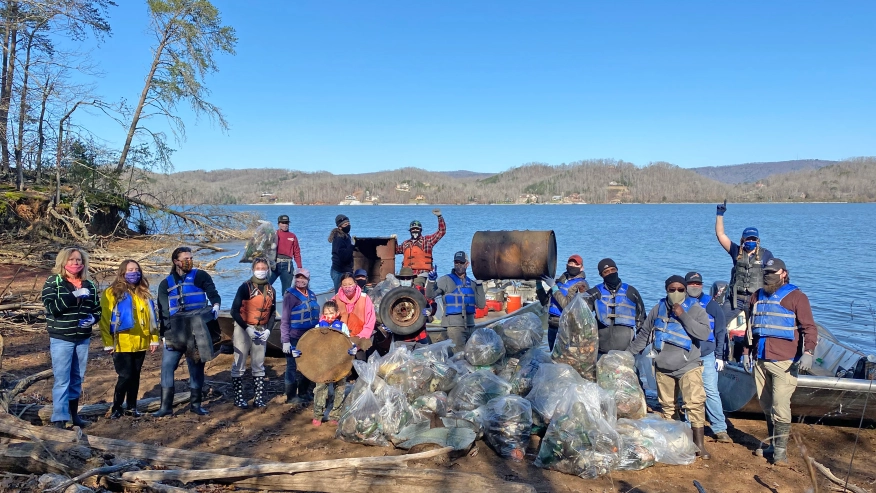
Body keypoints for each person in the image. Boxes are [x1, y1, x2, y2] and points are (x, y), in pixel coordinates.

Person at [627, 275, 712, 460]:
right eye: (672, 289)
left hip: (688, 366)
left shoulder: (696, 309)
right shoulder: (658, 309)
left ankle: (699, 446)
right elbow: (644, 335)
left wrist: (683, 315)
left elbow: (704, 334)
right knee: (667, 407)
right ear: (666, 290)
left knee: (694, 404)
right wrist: (627, 354)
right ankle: (675, 441)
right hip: (662, 366)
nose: (676, 293)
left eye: (680, 289)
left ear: (686, 290)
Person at [742, 258, 817, 465]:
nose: (769, 274)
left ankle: (781, 453)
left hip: (785, 361)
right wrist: (746, 352)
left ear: (783, 273)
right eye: (766, 271)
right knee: (766, 405)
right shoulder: (757, 296)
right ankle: (773, 445)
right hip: (760, 359)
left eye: (773, 271)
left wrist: (808, 351)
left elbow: (809, 327)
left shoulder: (797, 297)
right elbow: (750, 327)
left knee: (780, 406)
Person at [153, 247, 221, 417]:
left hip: (197, 329)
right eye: (185, 258)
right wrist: (163, 334)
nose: (189, 260)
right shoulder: (165, 284)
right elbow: (163, 312)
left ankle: (196, 405)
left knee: (196, 367)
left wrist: (216, 305)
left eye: (191, 257)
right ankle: (165, 407)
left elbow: (212, 292)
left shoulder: (200, 276)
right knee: (167, 367)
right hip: (175, 330)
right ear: (176, 261)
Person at [42, 247, 101, 428]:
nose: (76, 263)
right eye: (72, 260)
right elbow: (52, 308)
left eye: (78, 260)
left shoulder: (89, 284)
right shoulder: (54, 281)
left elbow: (97, 308)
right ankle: (59, 418)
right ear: (63, 262)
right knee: (62, 379)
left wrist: (93, 318)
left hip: (82, 337)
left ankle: (74, 416)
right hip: (61, 337)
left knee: (77, 377)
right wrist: (73, 296)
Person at [99, 260, 160, 420]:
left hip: (140, 342)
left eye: (137, 270)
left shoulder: (144, 293)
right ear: (122, 273)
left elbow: (152, 318)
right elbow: (104, 320)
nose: (134, 273)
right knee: (125, 375)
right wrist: (107, 342)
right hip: (121, 342)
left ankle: (132, 407)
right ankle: (117, 407)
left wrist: (154, 338)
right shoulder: (111, 293)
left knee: (135, 375)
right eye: (130, 270)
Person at [290, 300, 358, 427]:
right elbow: (310, 344)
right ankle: (318, 415)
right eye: (326, 313)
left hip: (340, 363)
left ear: (337, 313)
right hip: (322, 365)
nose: (329, 315)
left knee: (340, 389)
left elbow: (348, 342)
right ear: (322, 314)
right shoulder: (318, 328)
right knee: (320, 388)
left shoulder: (342, 327)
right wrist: (299, 351)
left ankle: (335, 415)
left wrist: (352, 348)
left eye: (331, 313)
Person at [684, 272, 731, 444]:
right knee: (689, 392)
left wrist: (720, 356)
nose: (695, 286)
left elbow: (720, 331)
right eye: (691, 283)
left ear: (702, 285)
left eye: (698, 284)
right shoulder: (681, 303)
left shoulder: (711, 305)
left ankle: (719, 428)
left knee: (711, 391)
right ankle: (689, 424)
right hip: (687, 354)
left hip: (708, 354)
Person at [230, 258, 277, 409]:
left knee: (259, 364)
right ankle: (238, 397)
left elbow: (272, 313)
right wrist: (247, 328)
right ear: (253, 269)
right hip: (244, 328)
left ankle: (259, 398)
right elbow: (234, 311)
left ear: (268, 270)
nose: (261, 270)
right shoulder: (244, 287)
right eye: (258, 267)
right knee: (240, 362)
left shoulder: (271, 289)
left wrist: (269, 330)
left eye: (264, 268)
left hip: (261, 329)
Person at [714, 201, 774, 309]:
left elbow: (773, 276)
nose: (751, 241)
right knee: (721, 321)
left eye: (753, 239)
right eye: (748, 239)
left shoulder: (766, 254)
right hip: (736, 299)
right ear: (743, 240)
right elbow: (720, 234)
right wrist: (720, 214)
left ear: (757, 241)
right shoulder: (736, 251)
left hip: (755, 299)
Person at [583, 258, 646, 356]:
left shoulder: (632, 292)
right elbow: (581, 315)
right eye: (606, 272)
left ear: (617, 270)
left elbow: (642, 321)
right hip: (601, 351)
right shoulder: (595, 293)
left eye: (613, 270)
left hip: (627, 351)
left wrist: (640, 347)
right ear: (601, 275)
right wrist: (581, 294)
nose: (610, 273)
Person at [425, 251, 486, 352]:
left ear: (467, 264)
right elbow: (430, 295)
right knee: (459, 356)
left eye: (461, 263)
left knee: (472, 354)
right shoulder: (445, 280)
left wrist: (479, 284)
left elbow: (481, 305)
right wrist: (431, 281)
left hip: (470, 325)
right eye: (456, 263)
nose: (458, 265)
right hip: (454, 327)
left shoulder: (471, 283)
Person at [280, 268, 319, 405]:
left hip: (310, 336)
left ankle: (303, 392)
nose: (300, 280)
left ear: (308, 280)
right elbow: (284, 320)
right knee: (291, 366)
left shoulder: (312, 295)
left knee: (308, 365)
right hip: (294, 337)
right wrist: (285, 341)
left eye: (303, 278)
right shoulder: (290, 296)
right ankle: (291, 396)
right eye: (298, 277)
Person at [537, 254, 590, 350]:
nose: (572, 266)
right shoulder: (560, 282)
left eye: (576, 264)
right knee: (552, 356)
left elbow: (568, 305)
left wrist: (554, 287)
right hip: (552, 325)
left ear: (581, 268)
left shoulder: (581, 285)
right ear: (566, 265)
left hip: (566, 327)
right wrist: (539, 285)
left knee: (562, 357)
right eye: (570, 263)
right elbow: (545, 302)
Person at [334, 273, 376, 361]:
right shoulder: (335, 299)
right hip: (340, 344)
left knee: (360, 368)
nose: (347, 287)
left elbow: (370, 323)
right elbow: (326, 317)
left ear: (355, 284)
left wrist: (357, 342)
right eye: (344, 285)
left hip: (360, 343)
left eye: (350, 284)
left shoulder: (365, 298)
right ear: (341, 286)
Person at [395, 209, 445, 274]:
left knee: (418, 283)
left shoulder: (427, 241)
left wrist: (439, 217)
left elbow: (441, 232)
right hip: (407, 275)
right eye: (413, 229)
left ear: (421, 230)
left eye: (417, 229)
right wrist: (394, 240)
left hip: (423, 273)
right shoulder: (406, 243)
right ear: (410, 231)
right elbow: (395, 250)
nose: (415, 230)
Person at [391, 267, 433, 345]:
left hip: (420, 335)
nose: (405, 281)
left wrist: (430, 310)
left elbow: (432, 303)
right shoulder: (394, 293)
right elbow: (386, 310)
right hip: (401, 336)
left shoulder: (421, 290)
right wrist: (388, 323)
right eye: (403, 279)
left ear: (412, 279)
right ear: (399, 280)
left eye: (408, 278)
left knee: (421, 356)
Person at [270, 214, 303, 293]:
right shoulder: (274, 234)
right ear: (278, 224)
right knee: (265, 285)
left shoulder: (292, 236)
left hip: (287, 266)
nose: (285, 225)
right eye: (283, 223)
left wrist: (299, 268)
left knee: (286, 291)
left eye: (286, 223)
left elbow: (297, 252)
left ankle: (285, 304)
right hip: (274, 264)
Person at [329, 214, 354, 291]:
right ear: (340, 227)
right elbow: (343, 257)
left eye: (349, 224)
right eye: (345, 224)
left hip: (346, 270)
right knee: (340, 294)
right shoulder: (338, 238)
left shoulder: (346, 236)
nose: (348, 226)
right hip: (339, 271)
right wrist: (352, 246)